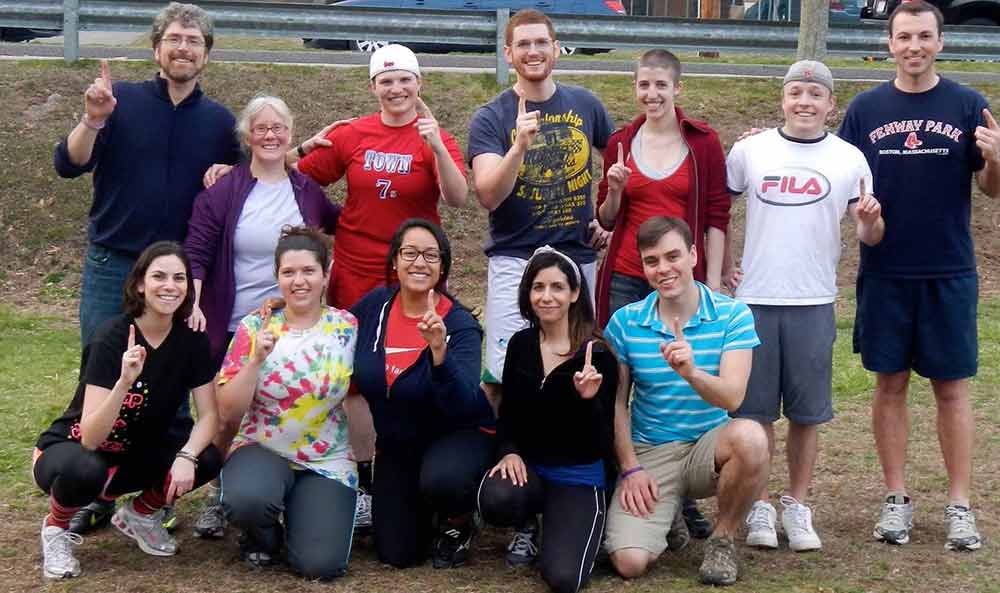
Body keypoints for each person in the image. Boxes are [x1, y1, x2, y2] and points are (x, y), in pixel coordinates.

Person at [53, 1, 239, 534]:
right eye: (175, 39)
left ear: (206, 54)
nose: (184, 48)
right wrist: (91, 120)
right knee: (104, 370)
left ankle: (159, 494)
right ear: (157, 48)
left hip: (175, 280)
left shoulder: (219, 121)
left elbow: (249, 177)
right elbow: (69, 163)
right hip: (115, 263)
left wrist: (229, 170)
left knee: (172, 384)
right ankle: (92, 488)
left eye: (194, 41)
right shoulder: (122, 102)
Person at [838, 0, 999, 551]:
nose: (914, 46)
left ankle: (959, 505)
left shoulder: (968, 104)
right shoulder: (864, 109)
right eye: (904, 36)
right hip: (885, 270)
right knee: (889, 384)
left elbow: (991, 189)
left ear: (940, 41)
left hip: (949, 270)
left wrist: (998, 158)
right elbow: (841, 183)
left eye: (924, 36)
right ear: (889, 43)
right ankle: (896, 499)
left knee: (952, 389)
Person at [725, 60, 885, 553]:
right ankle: (760, 503)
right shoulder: (749, 151)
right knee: (754, 414)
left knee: (806, 414)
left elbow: (869, 234)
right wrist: (726, 263)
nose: (804, 103)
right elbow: (719, 209)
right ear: (783, 98)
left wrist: (871, 223)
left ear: (830, 104)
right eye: (796, 93)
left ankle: (797, 505)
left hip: (814, 300)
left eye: (815, 95)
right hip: (754, 300)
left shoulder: (850, 159)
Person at [183, 95, 341, 539]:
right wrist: (193, 303)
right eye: (261, 128)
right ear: (246, 136)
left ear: (290, 133)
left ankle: (287, 485)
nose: (270, 136)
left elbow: (337, 224)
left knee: (281, 408)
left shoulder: (306, 190)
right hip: (234, 322)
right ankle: (220, 493)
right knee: (227, 415)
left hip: (291, 325)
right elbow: (196, 251)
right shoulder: (224, 190)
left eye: (278, 128)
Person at [594, 47, 730, 539]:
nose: (652, 94)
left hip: (681, 281)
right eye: (643, 85)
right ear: (635, 89)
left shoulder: (703, 142)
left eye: (661, 85)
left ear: (678, 88)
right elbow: (607, 219)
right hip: (628, 279)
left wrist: (710, 283)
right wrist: (613, 188)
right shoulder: (621, 142)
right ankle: (636, 482)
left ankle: (683, 493)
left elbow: (717, 215)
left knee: (685, 377)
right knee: (622, 386)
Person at [33, 242, 222, 579]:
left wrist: (188, 455)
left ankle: (141, 513)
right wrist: (123, 382)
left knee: (208, 456)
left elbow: (209, 416)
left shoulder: (192, 341)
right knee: (86, 469)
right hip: (73, 450)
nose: (170, 286)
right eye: (159, 276)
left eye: (179, 278)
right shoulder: (113, 337)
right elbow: (90, 437)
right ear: (140, 284)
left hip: (134, 453)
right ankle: (56, 529)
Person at [603, 216, 768, 586]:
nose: (664, 268)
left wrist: (691, 372)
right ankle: (668, 513)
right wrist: (630, 468)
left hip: (709, 446)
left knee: (752, 438)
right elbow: (616, 403)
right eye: (652, 261)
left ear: (694, 255)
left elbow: (734, 395)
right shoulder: (625, 323)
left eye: (672, 256)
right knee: (629, 563)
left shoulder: (733, 315)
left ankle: (722, 539)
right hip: (651, 451)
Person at [468, 8, 613, 410]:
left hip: (576, 258)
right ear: (508, 53)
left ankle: (573, 461)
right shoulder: (491, 117)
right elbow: (487, 194)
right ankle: (503, 458)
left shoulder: (586, 105)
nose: (533, 51)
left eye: (541, 43)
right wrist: (518, 147)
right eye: (524, 44)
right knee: (501, 376)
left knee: (579, 368)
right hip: (515, 259)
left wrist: (610, 221)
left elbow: (628, 162)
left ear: (557, 49)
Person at [349, 219, 496, 569]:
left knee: (442, 479)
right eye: (410, 253)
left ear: (442, 266)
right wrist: (287, 306)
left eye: (431, 255)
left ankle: (458, 521)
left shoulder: (459, 324)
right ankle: (421, 506)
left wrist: (439, 353)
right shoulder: (375, 307)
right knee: (398, 553)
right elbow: (330, 329)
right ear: (395, 262)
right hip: (398, 446)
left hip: (456, 435)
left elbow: (461, 401)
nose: (419, 262)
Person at [217, 226, 359, 579]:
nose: (299, 281)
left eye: (309, 271)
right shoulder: (255, 326)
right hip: (262, 448)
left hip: (326, 459)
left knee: (321, 566)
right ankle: (263, 533)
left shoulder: (347, 327)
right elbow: (228, 409)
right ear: (277, 276)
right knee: (249, 499)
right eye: (288, 272)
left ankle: (301, 518)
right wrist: (254, 361)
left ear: (326, 274)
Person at [477, 247, 617, 593]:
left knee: (564, 579)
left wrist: (588, 401)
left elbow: (601, 442)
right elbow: (508, 414)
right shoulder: (521, 344)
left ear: (574, 293)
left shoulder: (597, 355)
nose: (546, 296)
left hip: (578, 477)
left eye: (557, 287)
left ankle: (572, 525)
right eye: (538, 287)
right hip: (532, 471)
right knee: (495, 499)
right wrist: (508, 451)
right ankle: (528, 522)